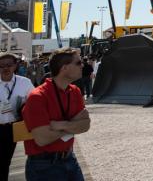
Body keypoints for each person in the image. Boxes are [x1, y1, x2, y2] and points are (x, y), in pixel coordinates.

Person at [23, 47, 90, 181]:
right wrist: (72, 126)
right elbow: (42, 139)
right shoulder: (38, 96)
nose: (82, 65)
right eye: (78, 63)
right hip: (43, 165)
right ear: (64, 68)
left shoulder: (75, 91)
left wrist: (60, 125)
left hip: (70, 158)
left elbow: (85, 125)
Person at [0, 53, 34, 181]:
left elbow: (35, 101)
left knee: (5, 161)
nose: (5, 68)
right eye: (1, 65)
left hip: (13, 129)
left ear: (15, 65)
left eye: (9, 65)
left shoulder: (24, 83)